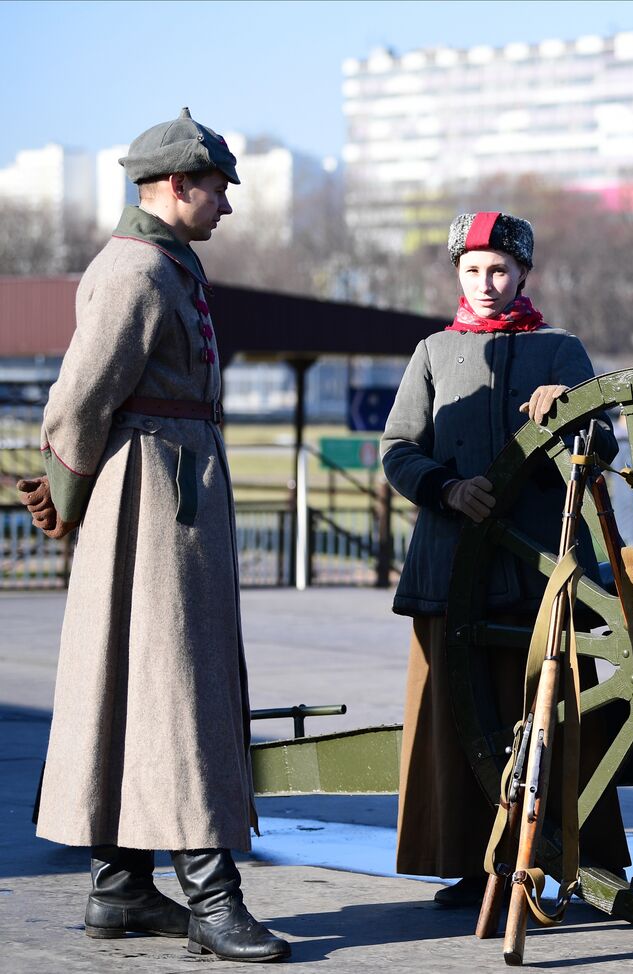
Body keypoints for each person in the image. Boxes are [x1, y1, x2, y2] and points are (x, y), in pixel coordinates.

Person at [18, 109, 290, 963]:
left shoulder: (168, 263)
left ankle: (121, 887)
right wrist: (66, 495)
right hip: (147, 496)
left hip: (169, 487)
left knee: (145, 683)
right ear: (177, 187)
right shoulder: (136, 269)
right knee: (179, 688)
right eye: (216, 190)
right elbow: (76, 401)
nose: (226, 206)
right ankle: (212, 898)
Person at [382, 211, 628, 907]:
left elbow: (603, 448)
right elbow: (398, 450)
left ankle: (574, 859)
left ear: (522, 274)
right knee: (457, 720)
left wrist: (574, 410)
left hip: (536, 576)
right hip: (448, 571)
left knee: (554, 720)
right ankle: (471, 864)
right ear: (456, 274)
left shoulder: (560, 349)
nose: (485, 284)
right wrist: (448, 488)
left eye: (498, 270)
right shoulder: (431, 352)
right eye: (471, 270)